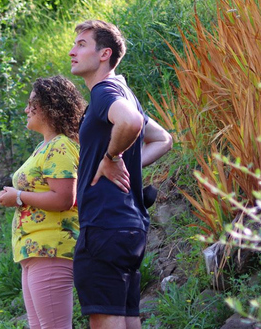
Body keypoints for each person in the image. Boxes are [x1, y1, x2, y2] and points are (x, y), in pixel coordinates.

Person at [69, 20, 173, 329]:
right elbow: (163, 139)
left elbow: (130, 123)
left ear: (105, 54)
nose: (72, 51)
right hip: (129, 228)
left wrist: (112, 157)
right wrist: (125, 161)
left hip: (103, 225)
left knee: (107, 319)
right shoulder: (123, 92)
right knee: (127, 320)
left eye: (81, 44)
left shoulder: (104, 92)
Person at [0, 75, 87, 329]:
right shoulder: (43, 147)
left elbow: (65, 198)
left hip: (52, 247)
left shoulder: (61, 146)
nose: (26, 109)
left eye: (31, 103)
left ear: (48, 106)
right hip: (35, 250)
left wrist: (19, 197)